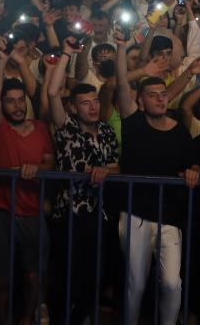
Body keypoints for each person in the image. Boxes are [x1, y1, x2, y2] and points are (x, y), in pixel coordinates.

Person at [114, 31, 200, 325]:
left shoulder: (178, 129)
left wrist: (194, 170)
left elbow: (193, 163)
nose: (161, 98)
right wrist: (123, 46)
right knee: (136, 284)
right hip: (136, 211)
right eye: (152, 95)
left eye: (163, 94)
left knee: (172, 283)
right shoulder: (133, 123)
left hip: (169, 215)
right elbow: (122, 84)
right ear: (140, 101)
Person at [45, 41, 119, 325]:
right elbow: (52, 92)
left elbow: (117, 165)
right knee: (67, 274)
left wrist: (104, 170)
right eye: (85, 103)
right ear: (73, 108)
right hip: (70, 213)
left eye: (96, 102)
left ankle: (80, 318)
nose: (92, 107)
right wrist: (67, 54)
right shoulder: (67, 128)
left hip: (99, 213)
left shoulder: (107, 131)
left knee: (95, 275)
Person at [0, 42, 54, 325]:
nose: (16, 105)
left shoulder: (40, 128)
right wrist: (1, 62)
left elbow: (49, 163)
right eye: (9, 100)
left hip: (32, 209)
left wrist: (33, 168)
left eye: (20, 100)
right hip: (0, 210)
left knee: (34, 275)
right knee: (0, 276)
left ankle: (26, 318)